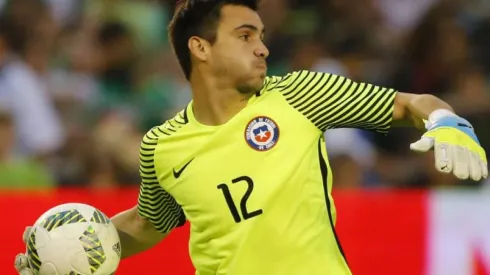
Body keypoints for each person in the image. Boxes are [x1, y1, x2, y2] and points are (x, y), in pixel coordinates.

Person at [15, 0, 488, 274]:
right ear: (200, 48)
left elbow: (410, 102)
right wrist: (67, 248)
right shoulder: (162, 145)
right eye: (244, 35)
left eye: (260, 34)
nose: (262, 46)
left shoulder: (300, 94)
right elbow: (147, 224)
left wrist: (448, 121)